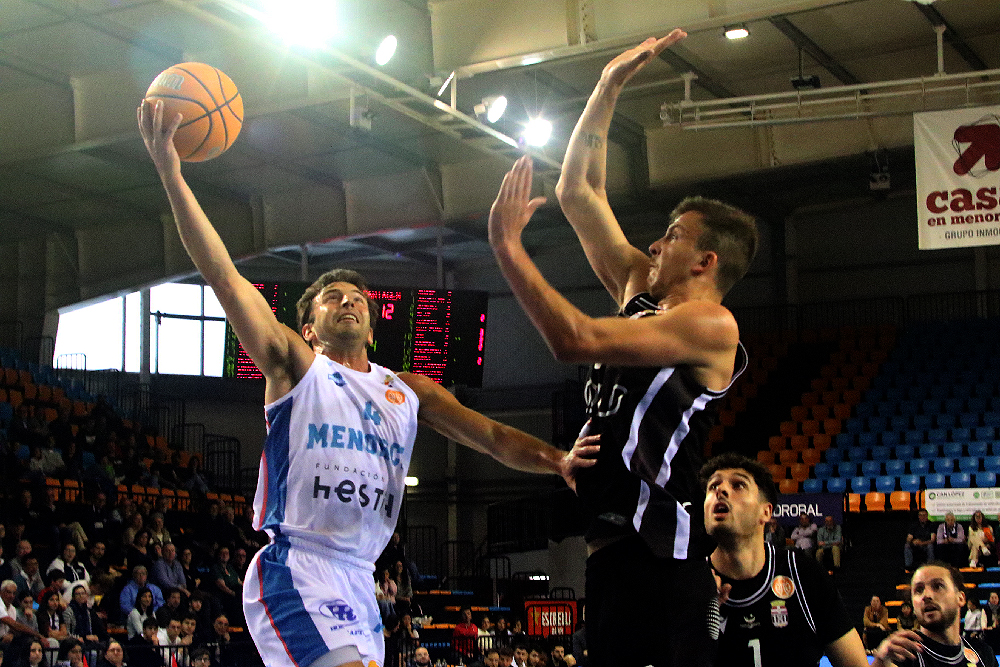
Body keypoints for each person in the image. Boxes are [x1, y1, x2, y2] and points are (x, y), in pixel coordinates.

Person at [139, 97, 593, 667]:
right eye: (333, 297)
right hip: (296, 566)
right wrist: (170, 171)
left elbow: (493, 438)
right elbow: (224, 276)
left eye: (357, 298)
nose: (348, 301)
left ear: (373, 329)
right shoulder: (294, 365)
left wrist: (558, 461)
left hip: (361, 579)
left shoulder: (407, 389)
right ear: (309, 326)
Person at [489, 27, 758, 665]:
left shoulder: (713, 325)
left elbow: (573, 338)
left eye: (672, 236)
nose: (656, 244)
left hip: (664, 552)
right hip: (610, 547)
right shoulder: (642, 288)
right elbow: (577, 193)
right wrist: (608, 86)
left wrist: (507, 250)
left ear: (705, 261)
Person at [700, 452, 868, 667]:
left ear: (766, 512)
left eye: (738, 485)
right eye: (712, 486)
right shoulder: (689, 585)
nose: (720, 491)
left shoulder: (803, 573)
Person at [871, 563, 998, 667]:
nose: (926, 595)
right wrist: (879, 663)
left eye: (938, 586)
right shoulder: (901, 653)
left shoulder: (983, 654)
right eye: (919, 590)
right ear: (913, 606)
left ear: (960, 598)